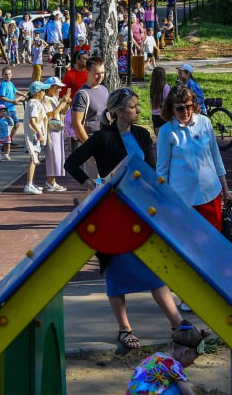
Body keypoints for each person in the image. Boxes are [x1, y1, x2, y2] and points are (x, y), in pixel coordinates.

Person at [66, 88, 184, 352]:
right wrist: (94, 185)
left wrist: (162, 201)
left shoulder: (141, 134)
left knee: (154, 265)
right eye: (132, 106)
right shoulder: (102, 138)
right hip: (112, 212)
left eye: (137, 106)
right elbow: (71, 163)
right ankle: (125, 328)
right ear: (119, 112)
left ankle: (177, 323)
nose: (138, 111)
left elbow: (151, 172)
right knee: (116, 268)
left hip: (140, 210)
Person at [122, 322, 220, 395]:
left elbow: (156, 389)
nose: (193, 362)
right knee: (182, 386)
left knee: (173, 383)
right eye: (194, 358)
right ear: (185, 352)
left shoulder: (156, 357)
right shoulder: (175, 367)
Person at [156, 85, 231, 229]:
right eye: (180, 108)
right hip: (183, 198)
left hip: (210, 193)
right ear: (171, 108)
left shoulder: (205, 122)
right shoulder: (166, 131)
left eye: (189, 106)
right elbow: (162, 169)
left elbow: (216, 156)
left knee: (214, 237)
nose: (185, 111)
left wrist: (226, 189)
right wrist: (164, 198)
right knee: (187, 239)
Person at [22, 81, 52, 194]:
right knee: (33, 159)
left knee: (35, 158)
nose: (44, 92)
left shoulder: (35, 103)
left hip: (35, 135)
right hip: (34, 135)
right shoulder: (34, 104)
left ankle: (31, 182)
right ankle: (29, 184)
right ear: (37, 93)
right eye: (43, 90)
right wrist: (40, 133)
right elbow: (32, 120)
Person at [71, 56, 110, 143]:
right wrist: (89, 146)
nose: (100, 76)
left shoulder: (104, 89)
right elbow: (76, 123)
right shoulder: (82, 95)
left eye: (102, 73)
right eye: (97, 73)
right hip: (91, 141)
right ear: (87, 72)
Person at [42, 78, 70, 192]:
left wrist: (66, 103)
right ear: (51, 87)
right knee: (52, 155)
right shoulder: (45, 99)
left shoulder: (54, 98)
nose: (60, 89)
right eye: (58, 87)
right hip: (50, 130)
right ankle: (50, 181)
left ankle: (52, 181)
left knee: (57, 155)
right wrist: (62, 102)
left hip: (57, 129)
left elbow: (62, 111)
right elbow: (52, 114)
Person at [148, 66, 170, 132]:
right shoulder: (166, 87)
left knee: (159, 135)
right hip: (163, 115)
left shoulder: (152, 86)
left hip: (154, 114)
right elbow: (167, 101)